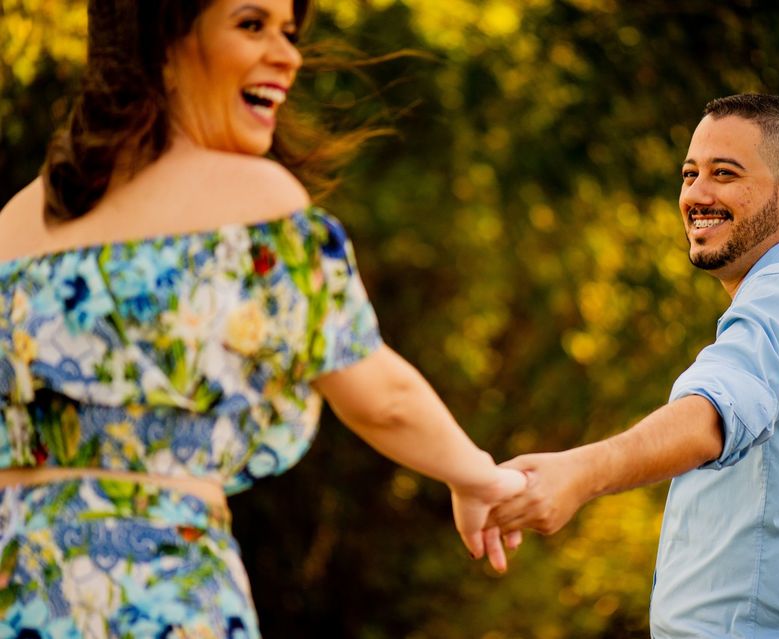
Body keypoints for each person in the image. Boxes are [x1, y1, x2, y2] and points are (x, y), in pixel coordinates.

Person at [0, 0, 524, 636]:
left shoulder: (17, 223)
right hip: (153, 594)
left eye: (289, 32)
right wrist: (476, 476)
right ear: (162, 43)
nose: (288, 55)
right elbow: (381, 397)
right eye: (252, 26)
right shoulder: (252, 201)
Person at [490, 94, 779, 637]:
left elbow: (712, 414)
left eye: (724, 174)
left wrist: (578, 473)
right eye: (690, 174)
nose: (696, 195)